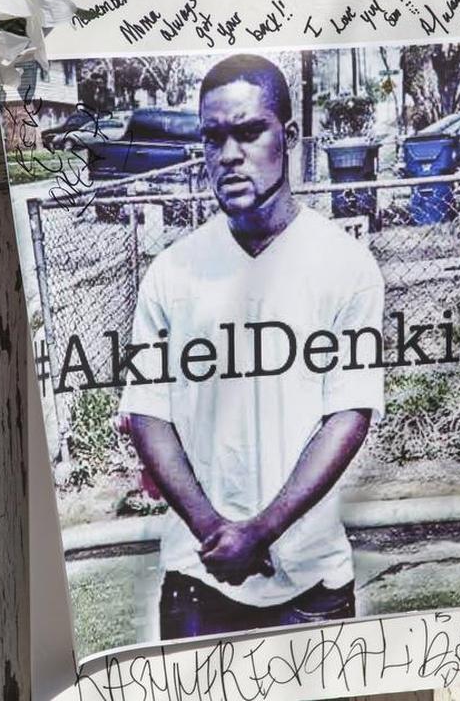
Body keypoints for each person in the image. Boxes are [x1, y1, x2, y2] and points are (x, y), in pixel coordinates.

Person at [118, 53, 385, 640]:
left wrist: (261, 531)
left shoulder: (345, 265)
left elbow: (348, 415)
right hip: (196, 575)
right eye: (213, 138)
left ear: (286, 137)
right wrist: (215, 530)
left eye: (248, 131)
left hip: (313, 582)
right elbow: (147, 413)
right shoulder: (172, 272)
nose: (229, 155)